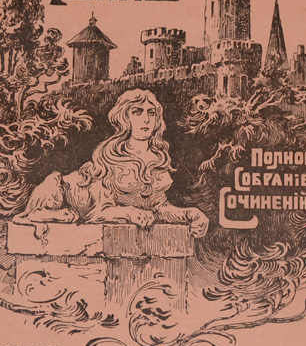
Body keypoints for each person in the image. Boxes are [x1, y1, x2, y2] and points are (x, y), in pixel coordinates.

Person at [17, 89, 209, 237]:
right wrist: (130, 213)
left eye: (151, 113)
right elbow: (99, 212)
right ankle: (40, 213)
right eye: (137, 112)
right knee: (54, 180)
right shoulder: (108, 158)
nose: (146, 119)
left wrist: (191, 214)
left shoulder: (159, 160)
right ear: (125, 118)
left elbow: (160, 209)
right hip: (66, 197)